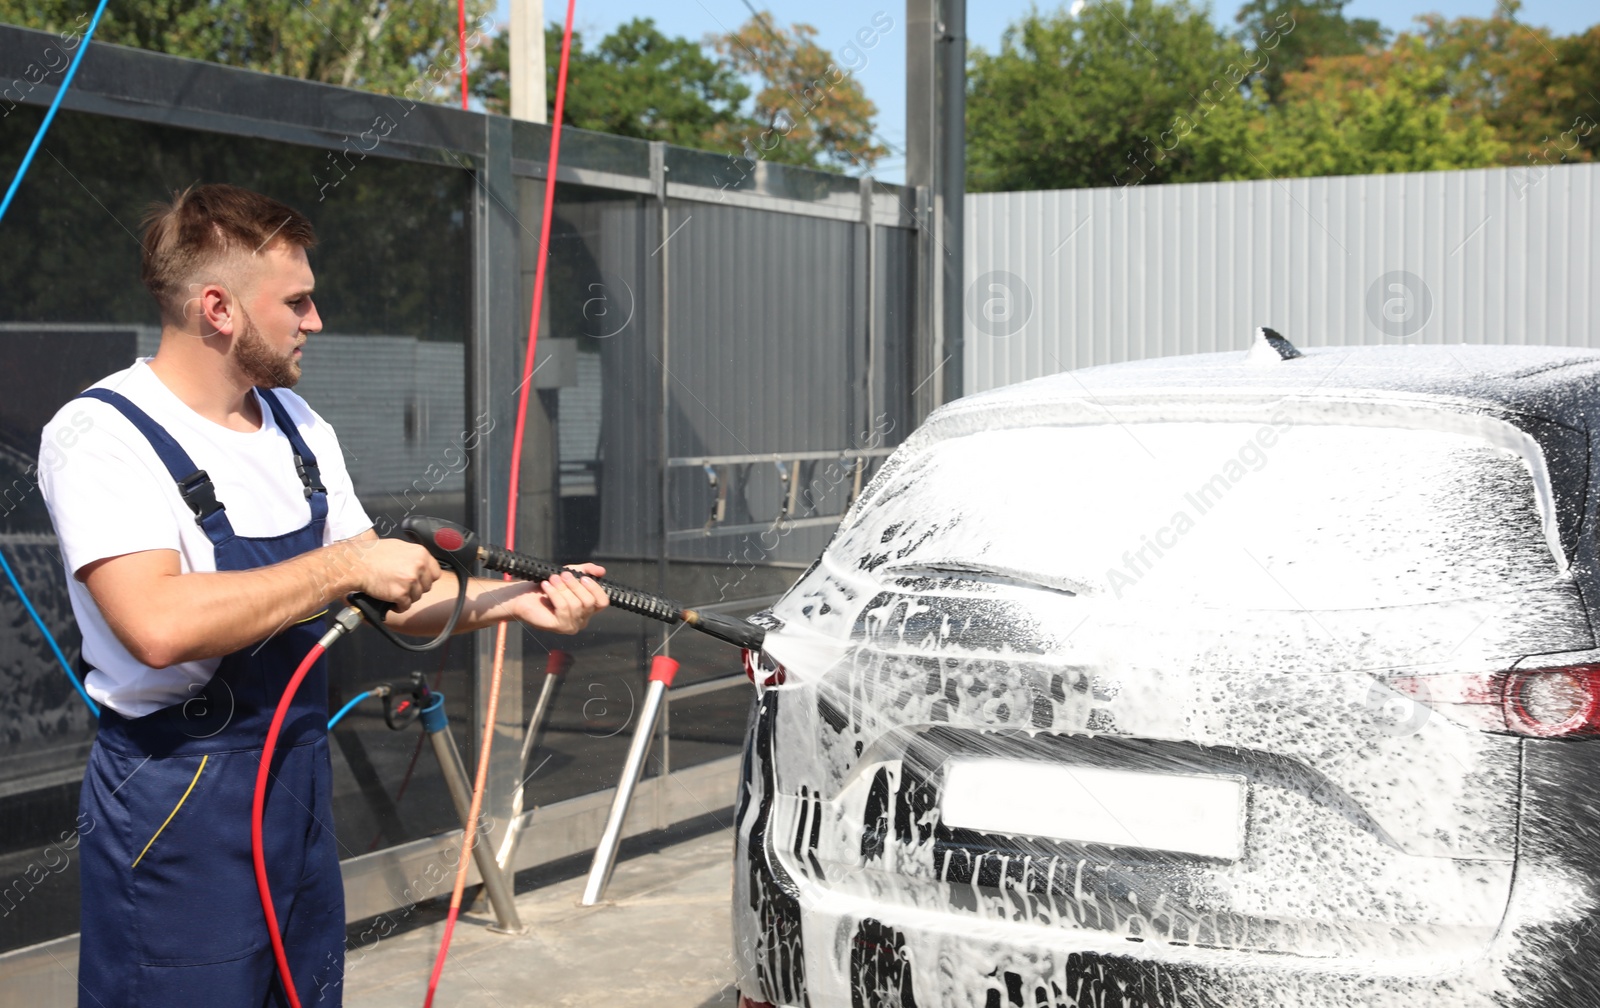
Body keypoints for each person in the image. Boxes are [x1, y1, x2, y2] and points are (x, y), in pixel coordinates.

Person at [38, 183, 608, 1008]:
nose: (317, 321)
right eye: (297, 302)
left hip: (298, 782)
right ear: (218, 308)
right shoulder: (101, 435)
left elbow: (392, 599)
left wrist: (512, 603)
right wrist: (343, 567)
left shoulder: (299, 425)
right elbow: (156, 625)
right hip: (178, 798)